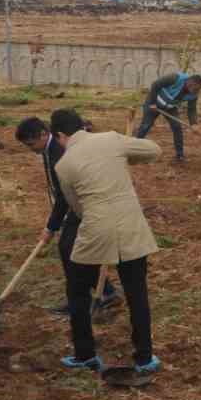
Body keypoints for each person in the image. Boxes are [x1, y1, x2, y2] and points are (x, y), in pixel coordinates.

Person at [52, 110, 163, 372]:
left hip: (95, 230)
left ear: (60, 135)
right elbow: (154, 150)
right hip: (131, 226)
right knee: (137, 293)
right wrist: (125, 156)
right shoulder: (112, 139)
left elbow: (77, 208)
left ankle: (85, 355)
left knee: (77, 292)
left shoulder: (63, 165)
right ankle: (145, 358)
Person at [15, 116, 118, 313]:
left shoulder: (59, 152)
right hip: (74, 203)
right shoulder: (48, 149)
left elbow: (64, 196)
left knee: (70, 249)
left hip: (84, 203)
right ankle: (100, 291)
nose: (31, 149)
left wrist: (51, 227)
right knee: (71, 249)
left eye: (31, 144)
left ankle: (88, 296)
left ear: (44, 134)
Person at [135, 72, 201, 163]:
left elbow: (192, 109)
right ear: (190, 83)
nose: (196, 92)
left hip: (170, 107)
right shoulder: (175, 78)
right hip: (154, 102)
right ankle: (132, 149)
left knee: (177, 127)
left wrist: (194, 124)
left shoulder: (194, 94)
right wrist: (152, 103)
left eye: (198, 90)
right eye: (196, 89)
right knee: (146, 125)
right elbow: (155, 84)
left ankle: (179, 156)